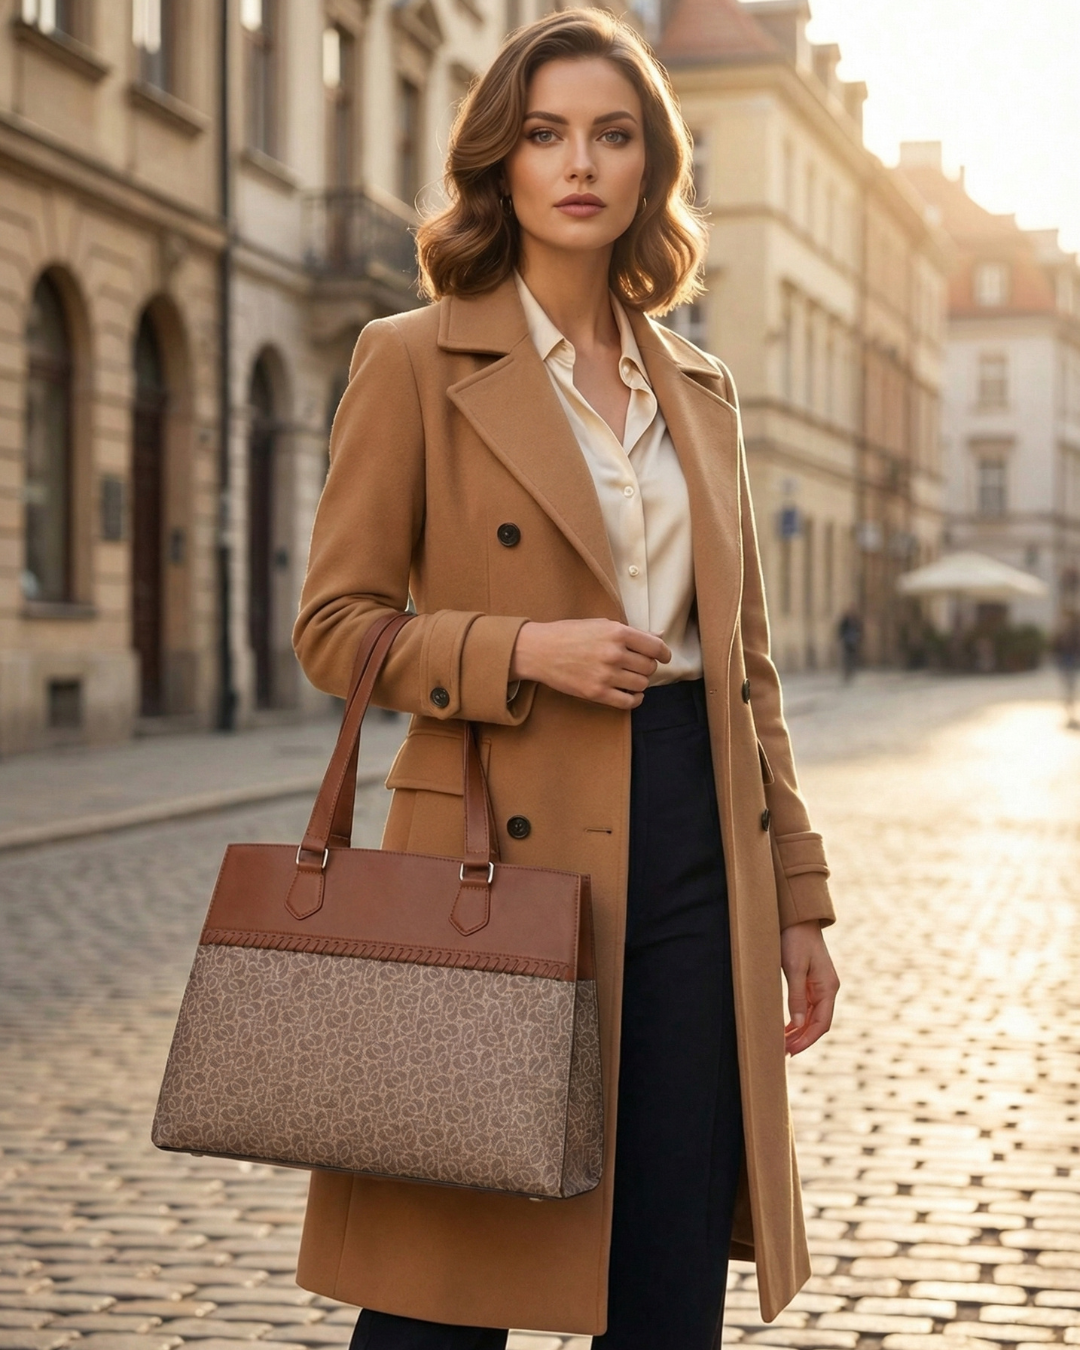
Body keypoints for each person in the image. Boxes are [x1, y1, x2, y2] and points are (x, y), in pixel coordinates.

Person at [291, 11, 839, 1349]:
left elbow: (747, 668)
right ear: (502, 163)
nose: (578, 163)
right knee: (441, 1298)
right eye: (545, 135)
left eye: (613, 134)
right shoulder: (413, 359)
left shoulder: (699, 387)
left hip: (695, 848)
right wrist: (522, 652)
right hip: (492, 836)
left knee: (664, 1282)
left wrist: (801, 902)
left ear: (651, 166)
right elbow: (334, 628)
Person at [1053, 613, 1080, 728]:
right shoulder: (1064, 634)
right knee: (1069, 689)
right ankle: (1069, 712)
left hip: (1068, 663)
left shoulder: (1070, 633)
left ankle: (1070, 712)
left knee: (1069, 688)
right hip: (1066, 663)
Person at [837, 608, 862, 683]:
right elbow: (841, 630)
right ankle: (847, 671)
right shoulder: (845, 622)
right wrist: (841, 638)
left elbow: (859, 630)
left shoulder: (856, 622)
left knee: (852, 657)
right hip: (847, 641)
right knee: (847, 657)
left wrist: (859, 639)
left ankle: (851, 670)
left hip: (853, 642)